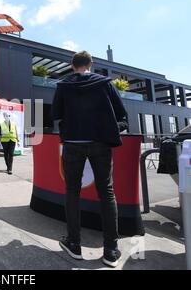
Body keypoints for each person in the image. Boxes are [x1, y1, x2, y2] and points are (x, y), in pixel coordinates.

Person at [52, 51, 128, 268]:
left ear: (72, 66)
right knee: (107, 192)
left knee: (72, 191)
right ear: (90, 64)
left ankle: (74, 243)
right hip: (100, 143)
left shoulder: (63, 86)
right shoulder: (105, 84)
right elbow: (122, 115)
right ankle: (111, 250)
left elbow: (56, 114)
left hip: (73, 144)